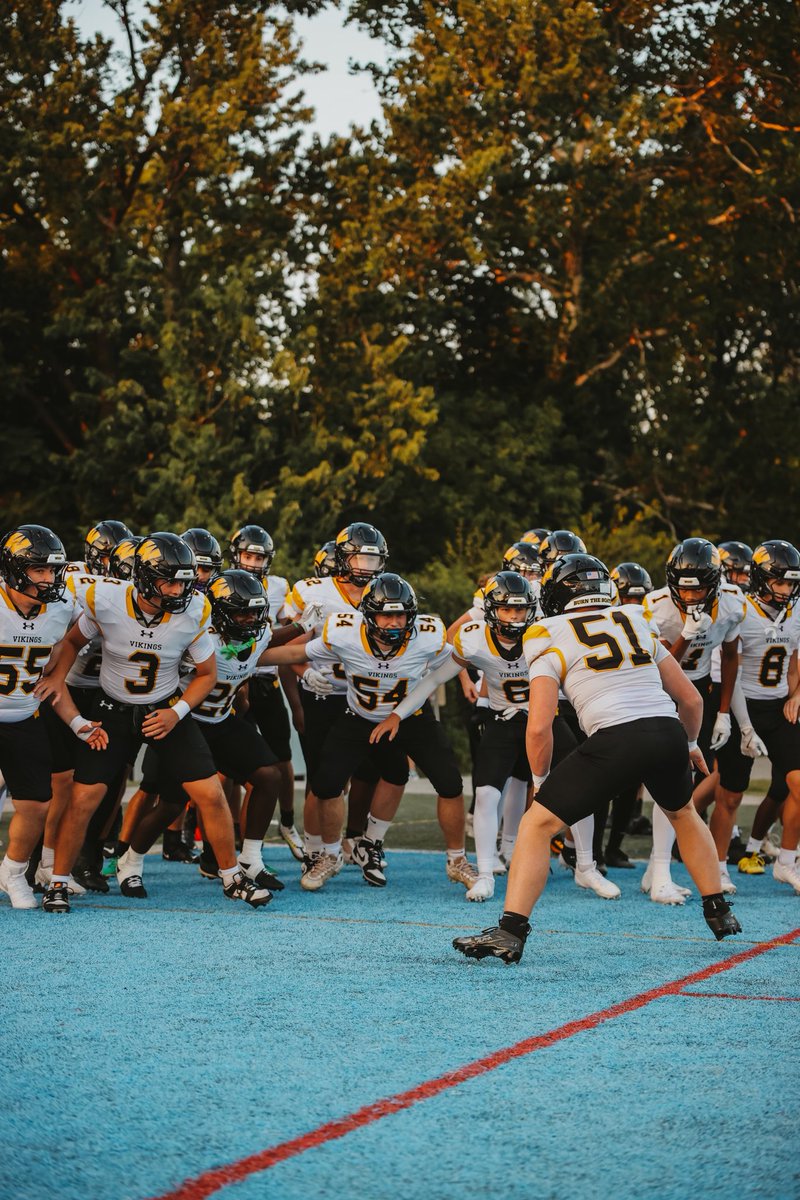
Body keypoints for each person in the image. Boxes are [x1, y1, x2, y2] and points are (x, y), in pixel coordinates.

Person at [453, 553, 741, 964]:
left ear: (553, 594)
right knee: (683, 813)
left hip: (615, 737)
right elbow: (691, 699)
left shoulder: (546, 632)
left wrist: (541, 780)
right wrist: (690, 742)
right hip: (666, 731)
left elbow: (539, 727)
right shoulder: (635, 619)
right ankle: (718, 910)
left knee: (535, 825)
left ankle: (510, 932)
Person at [34, 532, 270, 913]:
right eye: (169, 581)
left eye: (183, 581)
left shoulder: (194, 610)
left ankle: (232, 877)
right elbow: (74, 641)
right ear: (144, 577)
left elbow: (207, 674)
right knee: (84, 798)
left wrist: (177, 713)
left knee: (210, 793)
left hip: (164, 708)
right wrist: (57, 678)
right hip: (113, 709)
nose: (179, 590)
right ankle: (57, 880)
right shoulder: (106, 599)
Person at [262, 573, 478, 893]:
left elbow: (456, 661)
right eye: (386, 615)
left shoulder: (426, 635)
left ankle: (456, 860)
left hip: (411, 716)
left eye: (401, 615)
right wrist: (250, 659)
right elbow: (297, 654)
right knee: (326, 785)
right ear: (368, 615)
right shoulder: (345, 633)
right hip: (359, 716)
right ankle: (331, 855)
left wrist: (474, 678)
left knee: (449, 782)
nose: (394, 622)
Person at [0, 526, 107, 909]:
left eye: (53, 570)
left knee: (36, 805)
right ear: (15, 570)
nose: (49, 579)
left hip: (24, 716)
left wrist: (77, 723)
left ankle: (13, 872)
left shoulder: (61, 608)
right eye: (39, 570)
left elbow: (51, 681)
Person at [712, 541, 800, 892]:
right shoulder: (739, 610)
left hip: (779, 709)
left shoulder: (795, 611)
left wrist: (796, 695)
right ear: (762, 579)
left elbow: (794, 662)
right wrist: (742, 723)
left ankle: (787, 862)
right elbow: (729, 671)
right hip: (742, 705)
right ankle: (718, 867)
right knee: (730, 794)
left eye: (791, 583)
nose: (787, 590)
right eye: (780, 582)